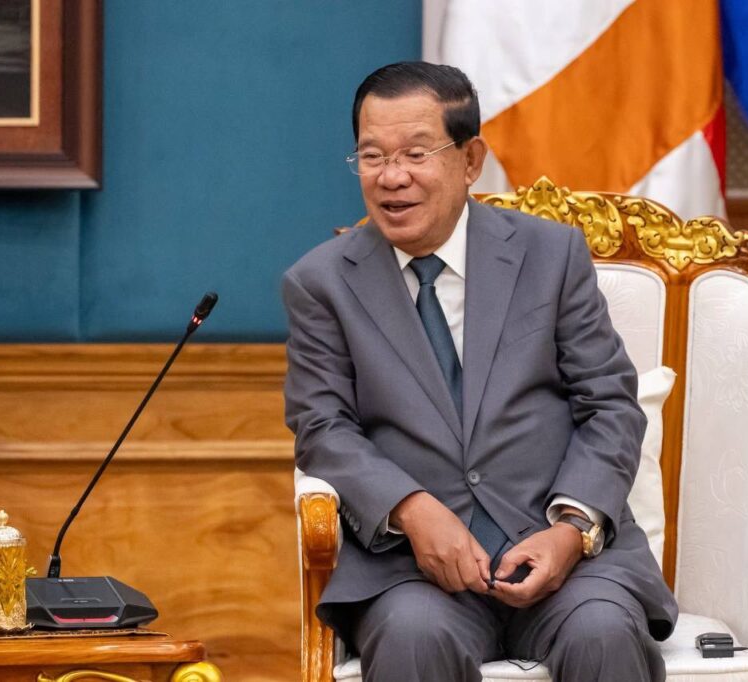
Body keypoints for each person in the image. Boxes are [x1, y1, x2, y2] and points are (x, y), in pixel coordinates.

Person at [283, 61, 677, 682]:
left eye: (416, 154)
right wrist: (413, 510)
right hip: (413, 571)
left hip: (566, 561)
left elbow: (609, 404)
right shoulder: (321, 283)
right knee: (412, 639)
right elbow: (322, 428)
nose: (392, 177)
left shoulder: (551, 255)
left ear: (470, 161)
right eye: (372, 156)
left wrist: (571, 530)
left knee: (603, 633)